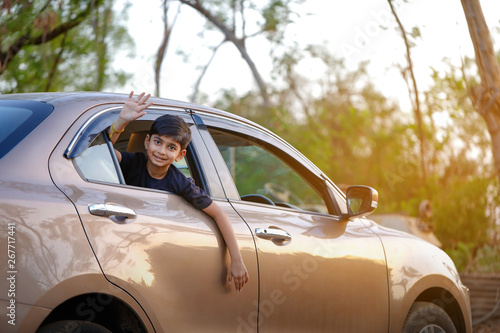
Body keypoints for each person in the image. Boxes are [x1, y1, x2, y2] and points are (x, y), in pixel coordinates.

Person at [109, 91, 249, 291]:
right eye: (158, 142)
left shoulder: (179, 182)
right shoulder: (133, 162)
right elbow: (101, 152)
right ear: (147, 141)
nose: (161, 151)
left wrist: (236, 260)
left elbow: (218, 213)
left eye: (171, 147)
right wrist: (121, 122)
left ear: (180, 155)